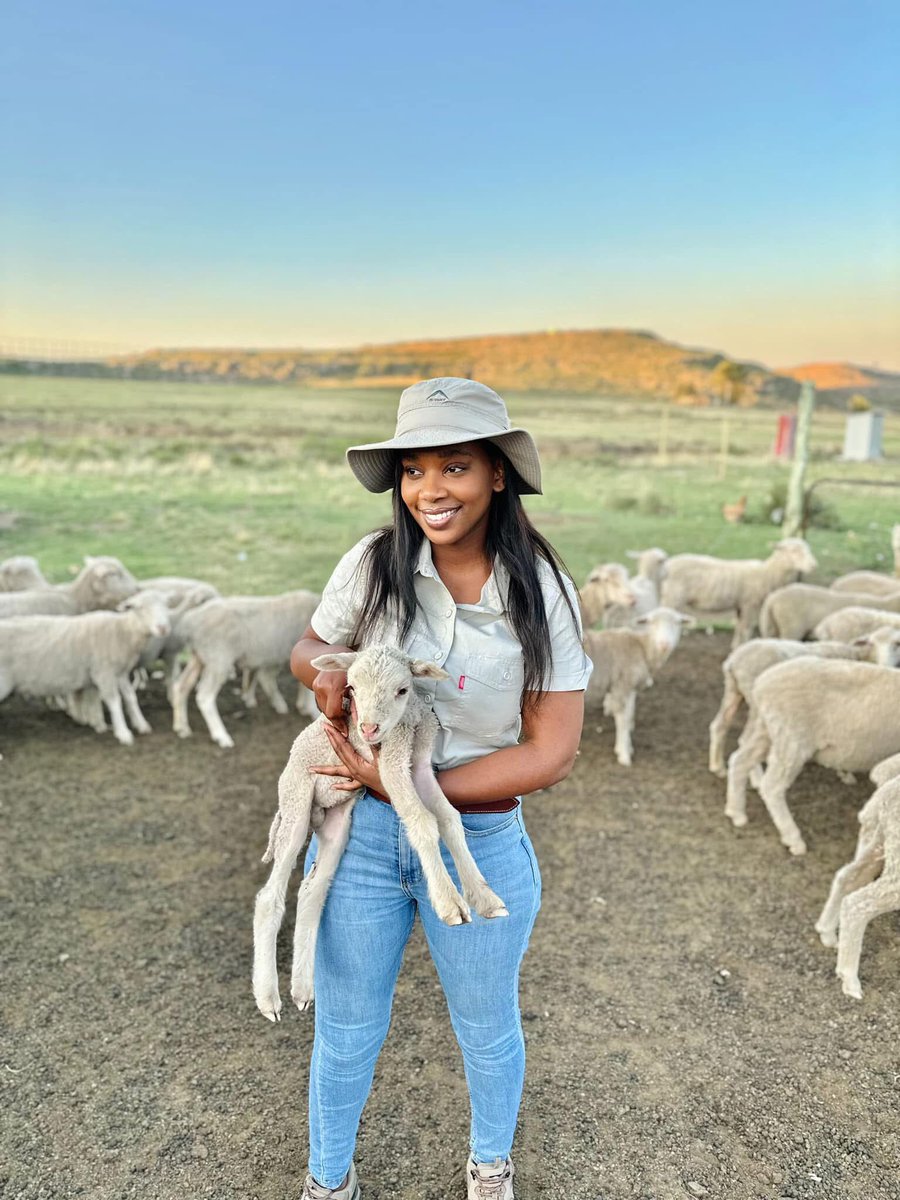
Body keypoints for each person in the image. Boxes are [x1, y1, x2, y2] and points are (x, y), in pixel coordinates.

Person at [289, 377, 592, 1200]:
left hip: (477, 841)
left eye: (454, 467)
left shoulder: (544, 595)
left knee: (487, 1027)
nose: (430, 490)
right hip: (360, 838)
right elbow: (313, 644)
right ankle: (327, 1180)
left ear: (498, 474)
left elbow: (552, 750)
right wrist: (329, 679)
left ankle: (490, 1167)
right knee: (346, 1029)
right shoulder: (373, 563)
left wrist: (415, 785)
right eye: (414, 471)